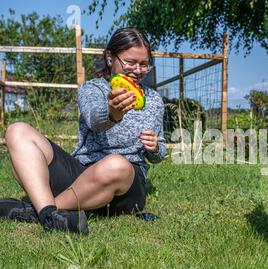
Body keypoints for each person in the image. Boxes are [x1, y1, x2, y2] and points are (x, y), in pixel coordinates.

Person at [0, 27, 167, 235]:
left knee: (116, 164)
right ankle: (52, 216)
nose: (138, 70)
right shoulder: (92, 89)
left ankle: (40, 211)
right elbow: (95, 120)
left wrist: (155, 148)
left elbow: (160, 153)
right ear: (109, 58)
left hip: (126, 184)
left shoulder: (153, 100)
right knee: (17, 131)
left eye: (144, 64)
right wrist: (113, 113)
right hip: (81, 173)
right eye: (130, 62)